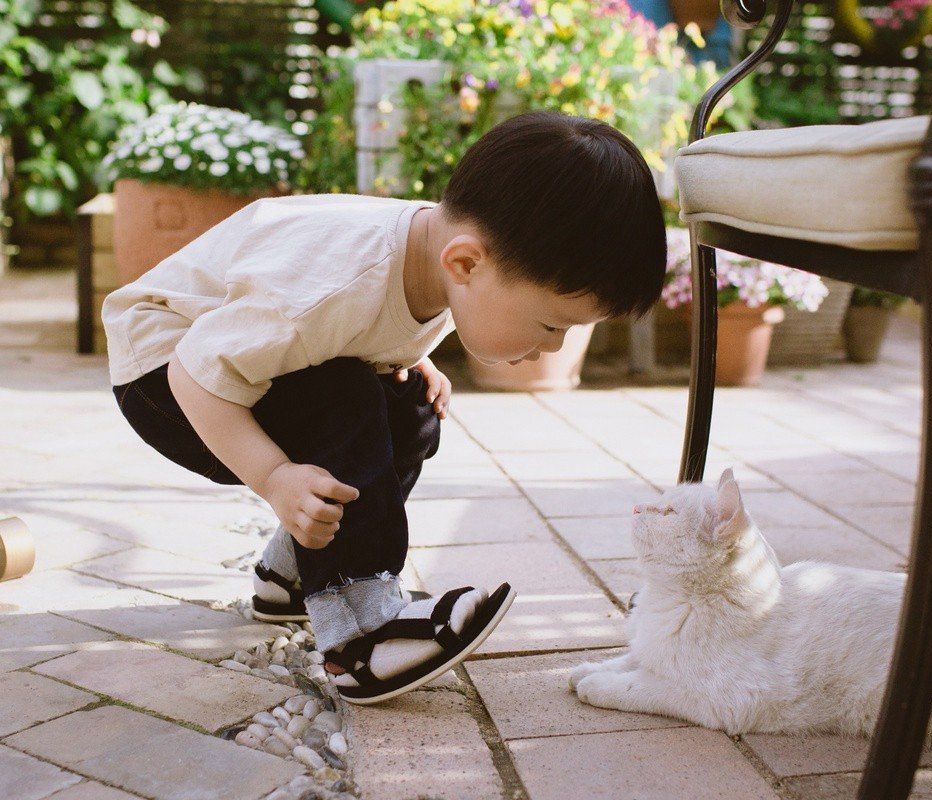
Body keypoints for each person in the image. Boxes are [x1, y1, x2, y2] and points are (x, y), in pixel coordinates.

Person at [102, 111, 667, 705]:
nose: (553, 347)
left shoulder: (443, 251)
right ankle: (360, 634)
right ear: (465, 264)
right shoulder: (329, 286)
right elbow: (195, 372)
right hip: (165, 374)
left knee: (409, 406)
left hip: (235, 359)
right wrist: (274, 477)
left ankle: (288, 577)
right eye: (552, 325)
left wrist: (405, 358)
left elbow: (360, 325)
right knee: (343, 400)